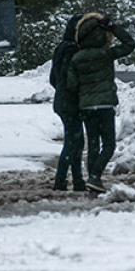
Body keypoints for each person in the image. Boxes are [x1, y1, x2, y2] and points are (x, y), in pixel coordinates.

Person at [66, 12, 135, 193]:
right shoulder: (106, 54)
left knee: (94, 145)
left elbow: (71, 85)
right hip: (105, 105)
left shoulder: (76, 58)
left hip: (86, 107)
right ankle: (95, 177)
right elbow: (129, 45)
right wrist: (113, 26)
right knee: (109, 144)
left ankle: (93, 180)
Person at [50, 14, 86, 191]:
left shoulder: (61, 48)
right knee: (73, 142)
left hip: (62, 101)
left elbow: (53, 78)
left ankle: (76, 180)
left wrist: (61, 90)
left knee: (75, 141)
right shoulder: (72, 50)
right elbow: (69, 77)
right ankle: (62, 180)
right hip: (70, 103)